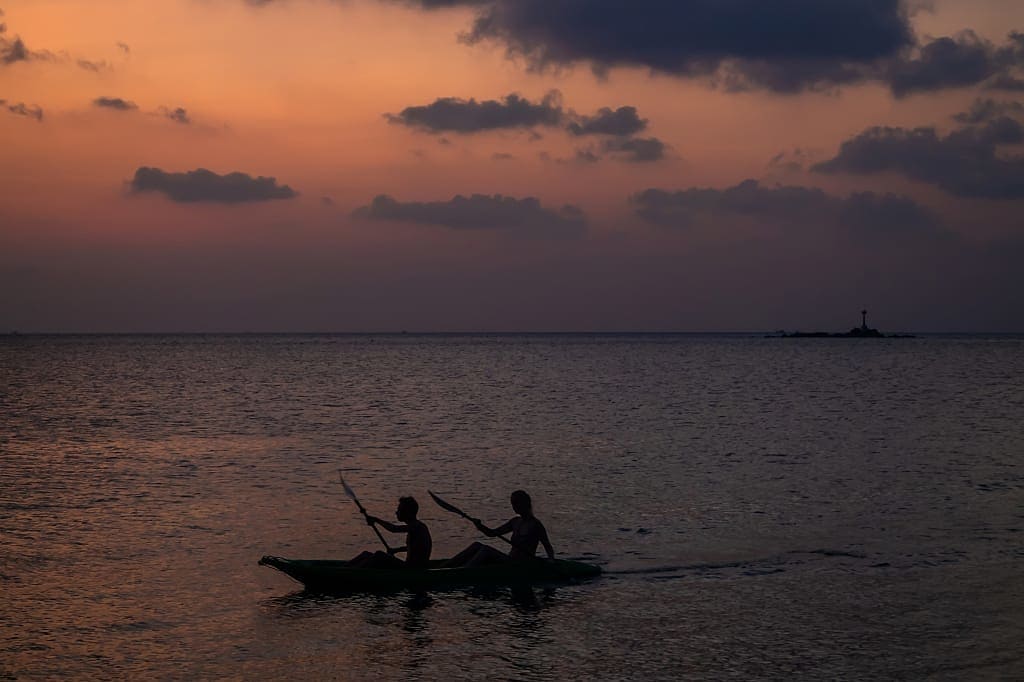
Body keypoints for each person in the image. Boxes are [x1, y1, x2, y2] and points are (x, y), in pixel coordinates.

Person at [445, 490, 555, 567]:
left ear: (524, 504)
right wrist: (479, 526)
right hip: (510, 560)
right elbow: (492, 533)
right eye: (512, 503)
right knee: (477, 545)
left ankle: (463, 572)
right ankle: (445, 566)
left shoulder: (536, 525)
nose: (513, 506)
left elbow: (548, 547)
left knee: (486, 550)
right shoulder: (515, 522)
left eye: (516, 503)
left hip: (521, 565)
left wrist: (551, 561)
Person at [349, 496, 432, 570]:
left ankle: (352, 571)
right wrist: (396, 550)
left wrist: (376, 520)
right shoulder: (416, 527)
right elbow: (415, 548)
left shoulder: (417, 526)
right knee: (366, 554)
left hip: (412, 569)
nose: (396, 512)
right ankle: (346, 568)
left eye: (399, 510)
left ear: (407, 512)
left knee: (379, 555)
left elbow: (394, 529)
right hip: (409, 567)